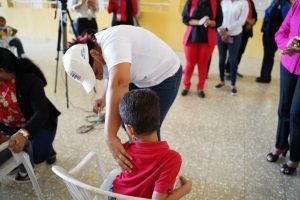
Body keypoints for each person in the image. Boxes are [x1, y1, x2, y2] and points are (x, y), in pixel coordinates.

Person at [63, 25, 182, 172]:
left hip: (165, 76)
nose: (97, 77)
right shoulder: (98, 48)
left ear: (94, 54)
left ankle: (154, 170)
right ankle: (142, 153)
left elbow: (119, 83)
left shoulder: (113, 42)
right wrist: (104, 98)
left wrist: (109, 136)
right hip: (139, 77)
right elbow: (112, 76)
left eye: (94, 72)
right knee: (126, 117)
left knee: (146, 127)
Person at [109, 89, 192, 199]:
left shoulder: (123, 149)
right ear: (158, 117)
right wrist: (185, 189)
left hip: (114, 195)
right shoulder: (172, 159)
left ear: (130, 129)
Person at [0, 48, 61, 170]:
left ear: (1, 70)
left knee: (38, 156)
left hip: (38, 122)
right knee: (12, 154)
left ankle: (48, 150)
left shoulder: (29, 79)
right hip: (9, 125)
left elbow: (41, 113)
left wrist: (23, 133)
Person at [266, 0, 300, 175]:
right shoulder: (297, 4)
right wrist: (287, 44)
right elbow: (281, 31)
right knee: (284, 107)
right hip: (288, 62)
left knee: (297, 112)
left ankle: (294, 157)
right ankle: (280, 146)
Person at [181, 0, 223, 98]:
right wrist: (199, 22)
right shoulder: (190, 2)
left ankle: (201, 88)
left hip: (207, 39)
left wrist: (208, 22)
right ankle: (186, 86)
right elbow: (185, 19)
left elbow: (218, 21)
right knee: (190, 63)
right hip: (192, 37)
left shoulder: (216, 3)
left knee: (203, 64)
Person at [215, 0, 249, 96]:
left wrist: (226, 29)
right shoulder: (223, 1)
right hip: (221, 34)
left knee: (233, 60)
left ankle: (233, 85)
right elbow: (218, 17)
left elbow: (241, 21)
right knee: (221, 59)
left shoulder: (243, 3)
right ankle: (222, 81)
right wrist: (221, 31)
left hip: (235, 35)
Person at [256, 0, 291, 83]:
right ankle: (263, 76)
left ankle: (266, 77)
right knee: (267, 55)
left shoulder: (286, 5)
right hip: (267, 33)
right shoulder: (274, 2)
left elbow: (286, 21)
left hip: (274, 35)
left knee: (269, 55)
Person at [225, 0, 257, 79]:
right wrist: (248, 21)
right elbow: (238, 16)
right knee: (234, 51)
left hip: (246, 32)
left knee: (241, 51)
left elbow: (255, 16)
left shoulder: (250, 2)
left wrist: (252, 23)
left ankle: (234, 70)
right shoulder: (237, 2)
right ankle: (229, 71)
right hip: (237, 30)